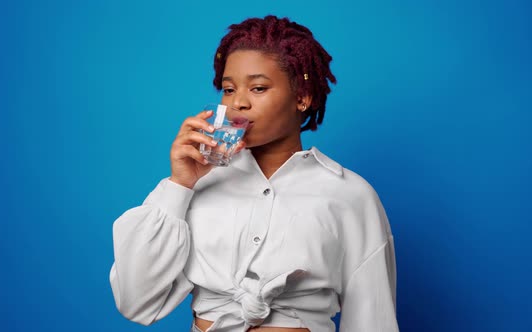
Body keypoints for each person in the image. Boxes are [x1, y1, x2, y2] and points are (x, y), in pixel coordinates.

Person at [109, 15, 399, 332]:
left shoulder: (350, 194)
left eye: (258, 88)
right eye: (229, 89)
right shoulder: (198, 185)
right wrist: (180, 185)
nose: (239, 103)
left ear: (302, 97)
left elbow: (373, 319)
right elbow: (136, 301)